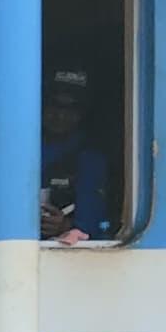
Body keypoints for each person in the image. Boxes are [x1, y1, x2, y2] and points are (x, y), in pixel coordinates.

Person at [38, 68, 116, 242]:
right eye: (54, 105)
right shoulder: (15, 149)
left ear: (83, 113)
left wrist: (64, 226)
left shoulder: (91, 159)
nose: (60, 115)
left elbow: (100, 223)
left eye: (71, 108)